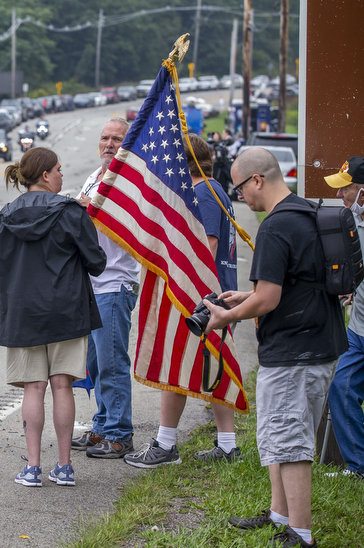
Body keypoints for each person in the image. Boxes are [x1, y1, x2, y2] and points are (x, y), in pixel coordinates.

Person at [204, 147, 348, 548]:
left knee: (290, 438)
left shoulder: (274, 227)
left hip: (293, 348)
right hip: (318, 338)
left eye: (238, 188)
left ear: (257, 180)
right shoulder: (304, 211)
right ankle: (279, 514)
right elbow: (290, 283)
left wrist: (224, 317)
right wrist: (240, 297)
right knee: (279, 433)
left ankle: (300, 534)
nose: (239, 198)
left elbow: (266, 299)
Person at [0, 147, 107, 487]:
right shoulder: (71, 212)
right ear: (44, 175)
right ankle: (65, 467)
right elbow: (96, 262)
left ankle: (33, 468)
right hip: (66, 311)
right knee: (62, 385)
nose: (61, 175)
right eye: (58, 169)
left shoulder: (3, 218)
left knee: (33, 388)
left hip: (23, 313)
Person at [124, 134, 240, 468]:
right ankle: (227, 445)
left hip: (203, 298)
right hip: (218, 296)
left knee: (174, 365)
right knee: (214, 369)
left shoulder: (203, 191)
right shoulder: (214, 188)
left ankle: (166, 444)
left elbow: (207, 248)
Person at [73, 118, 141, 458]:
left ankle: (120, 433)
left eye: (117, 138)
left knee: (113, 364)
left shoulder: (128, 181)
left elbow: (123, 222)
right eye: (105, 137)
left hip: (116, 282)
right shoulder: (94, 177)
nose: (109, 144)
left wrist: (85, 208)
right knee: (97, 364)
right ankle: (101, 427)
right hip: (93, 285)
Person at [324, 156, 364, 479]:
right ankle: (358, 465)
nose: (341, 196)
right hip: (358, 327)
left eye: (346, 190)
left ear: (362, 191)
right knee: (342, 387)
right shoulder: (353, 220)